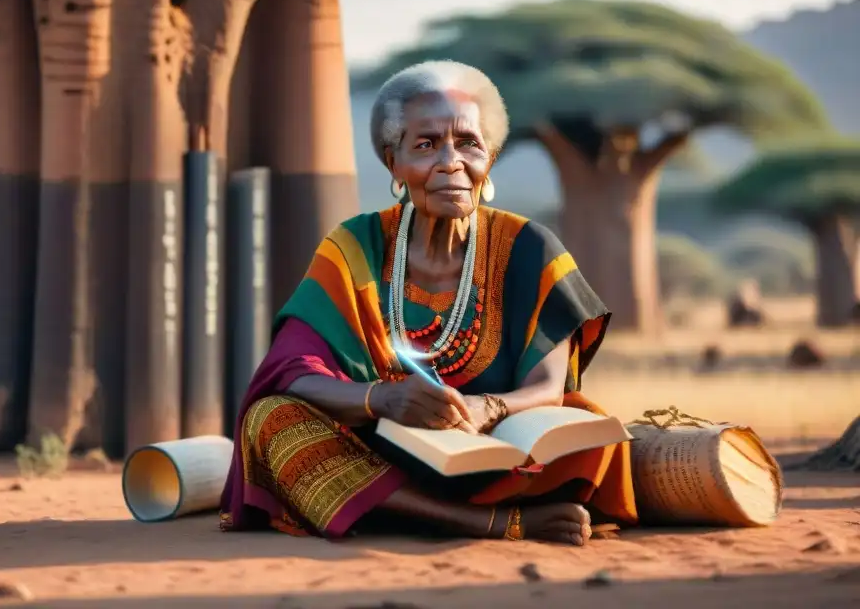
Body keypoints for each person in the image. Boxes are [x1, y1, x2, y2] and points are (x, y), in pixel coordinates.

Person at [220, 60, 638, 544]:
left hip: (498, 455)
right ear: (392, 161)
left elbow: (547, 384)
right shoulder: (355, 246)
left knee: (587, 427)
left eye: (468, 144)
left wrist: (488, 410)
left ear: (490, 159)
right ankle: (487, 523)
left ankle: (392, 513)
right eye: (425, 145)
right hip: (378, 456)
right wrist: (383, 399)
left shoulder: (531, 247)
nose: (450, 162)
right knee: (270, 420)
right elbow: (291, 374)